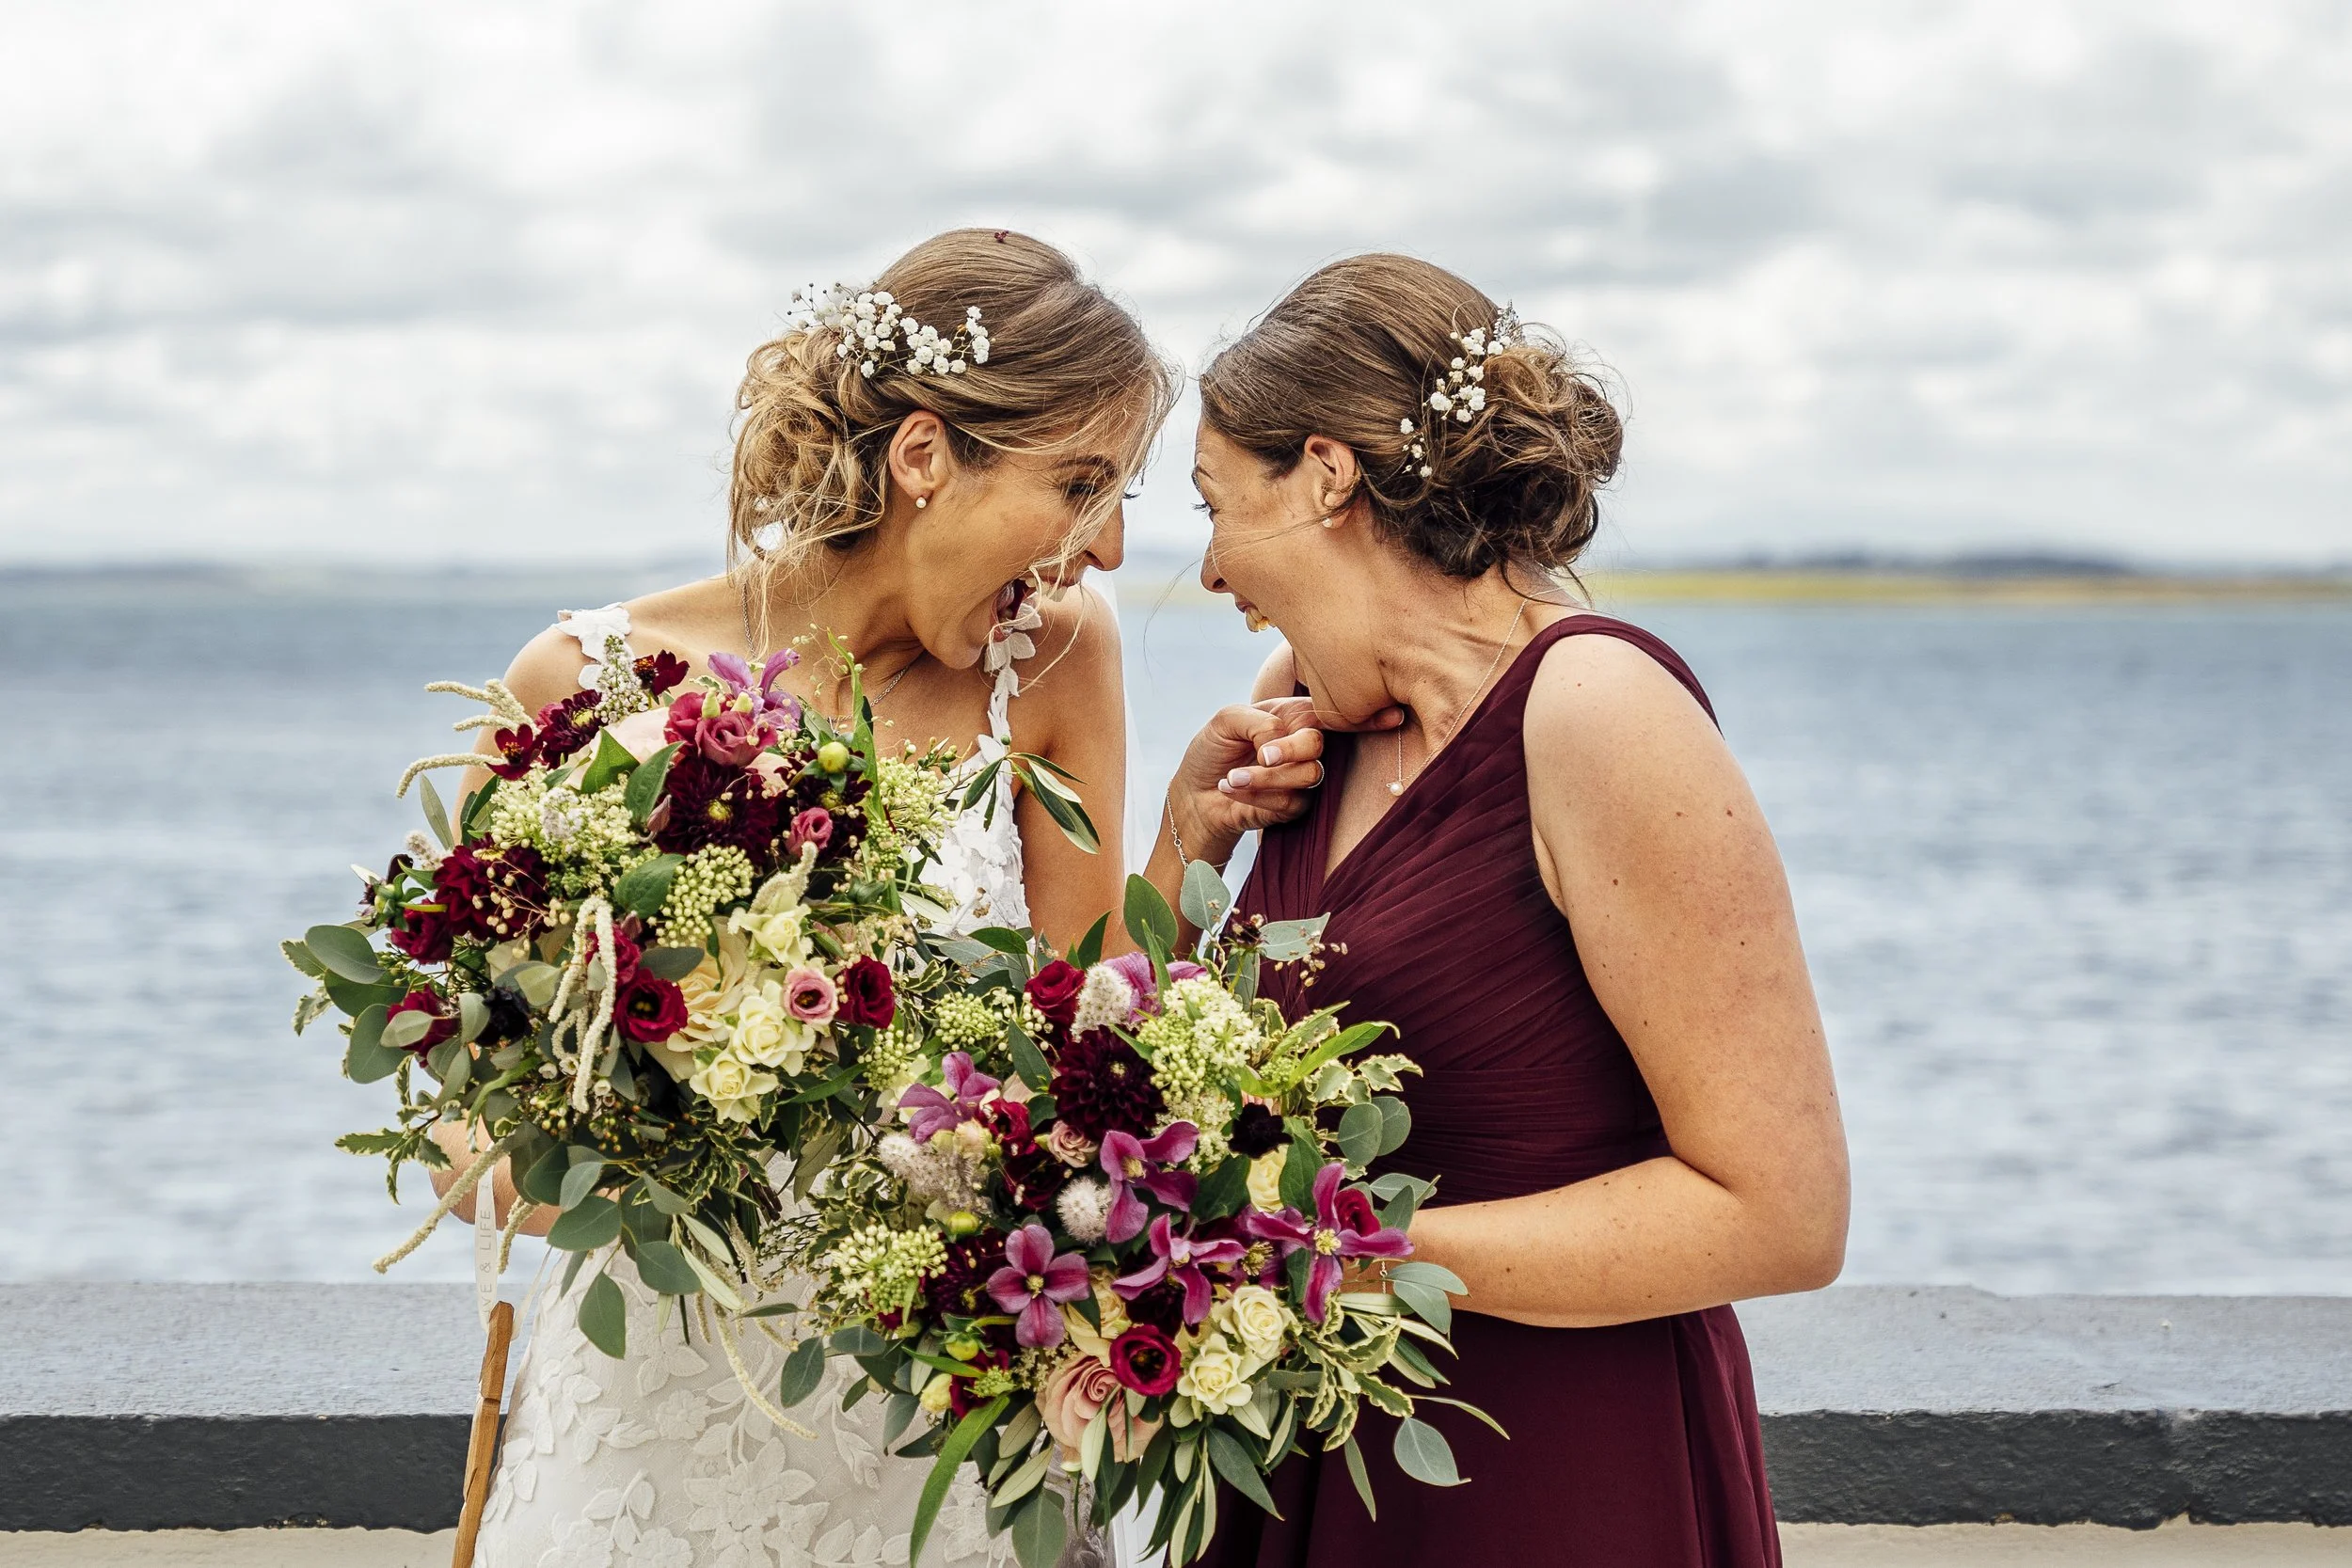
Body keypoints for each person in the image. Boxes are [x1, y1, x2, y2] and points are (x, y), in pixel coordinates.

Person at [449, 229, 1177, 1568]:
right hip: (652, 1426)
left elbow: (1095, 1055)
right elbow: (469, 1146)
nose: (1112, 547)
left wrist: (1187, 836)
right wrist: (686, 1147)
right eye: (1082, 483)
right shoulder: (586, 683)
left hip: (944, 1425)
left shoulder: (1058, 658)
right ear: (923, 457)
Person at [1147, 254, 1849, 1566]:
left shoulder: (1598, 712)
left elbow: (1782, 1212)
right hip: (1311, 1456)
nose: (1209, 569)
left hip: (1553, 1466)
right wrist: (1186, 835)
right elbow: (1144, 1079)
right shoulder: (1308, 702)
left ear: (1325, 476)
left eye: (1215, 504)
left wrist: (1354, 1254)